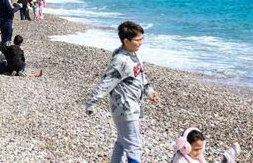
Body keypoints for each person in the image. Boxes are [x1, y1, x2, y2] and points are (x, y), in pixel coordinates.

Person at [86, 21, 159, 163]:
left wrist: (150, 91)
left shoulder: (134, 55)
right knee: (134, 146)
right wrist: (91, 103)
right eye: (138, 40)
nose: (141, 43)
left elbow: (141, 77)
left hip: (134, 105)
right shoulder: (120, 60)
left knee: (121, 143)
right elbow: (105, 82)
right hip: (125, 108)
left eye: (142, 38)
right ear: (126, 41)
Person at [171, 128, 240, 163]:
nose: (199, 152)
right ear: (185, 147)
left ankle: (226, 160)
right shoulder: (180, 160)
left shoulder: (197, 157)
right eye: (196, 149)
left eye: (200, 149)